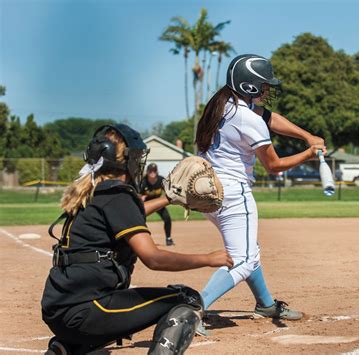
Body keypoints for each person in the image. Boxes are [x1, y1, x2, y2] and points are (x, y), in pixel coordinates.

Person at [41, 124, 233, 355]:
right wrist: (208, 258)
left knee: (114, 308)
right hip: (88, 311)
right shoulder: (118, 195)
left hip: (59, 310)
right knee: (188, 298)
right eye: (136, 156)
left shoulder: (94, 192)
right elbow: (153, 259)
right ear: (125, 161)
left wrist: (168, 199)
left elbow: (131, 212)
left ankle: (66, 348)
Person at [194, 54, 326, 335]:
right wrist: (309, 153)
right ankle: (194, 308)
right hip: (232, 193)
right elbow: (275, 166)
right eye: (263, 85)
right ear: (249, 87)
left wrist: (306, 135)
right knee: (243, 260)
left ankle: (265, 304)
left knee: (247, 250)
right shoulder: (246, 118)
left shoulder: (222, 105)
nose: (267, 90)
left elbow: (271, 118)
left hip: (208, 193)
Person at [141, 163, 175, 246]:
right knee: (140, 221)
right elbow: (138, 195)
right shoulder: (143, 182)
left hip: (157, 203)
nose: (152, 172)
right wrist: (141, 197)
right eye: (150, 171)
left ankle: (168, 239)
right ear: (147, 172)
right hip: (146, 204)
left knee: (167, 218)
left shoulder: (161, 180)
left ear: (157, 172)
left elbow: (168, 190)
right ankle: (142, 241)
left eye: (154, 171)